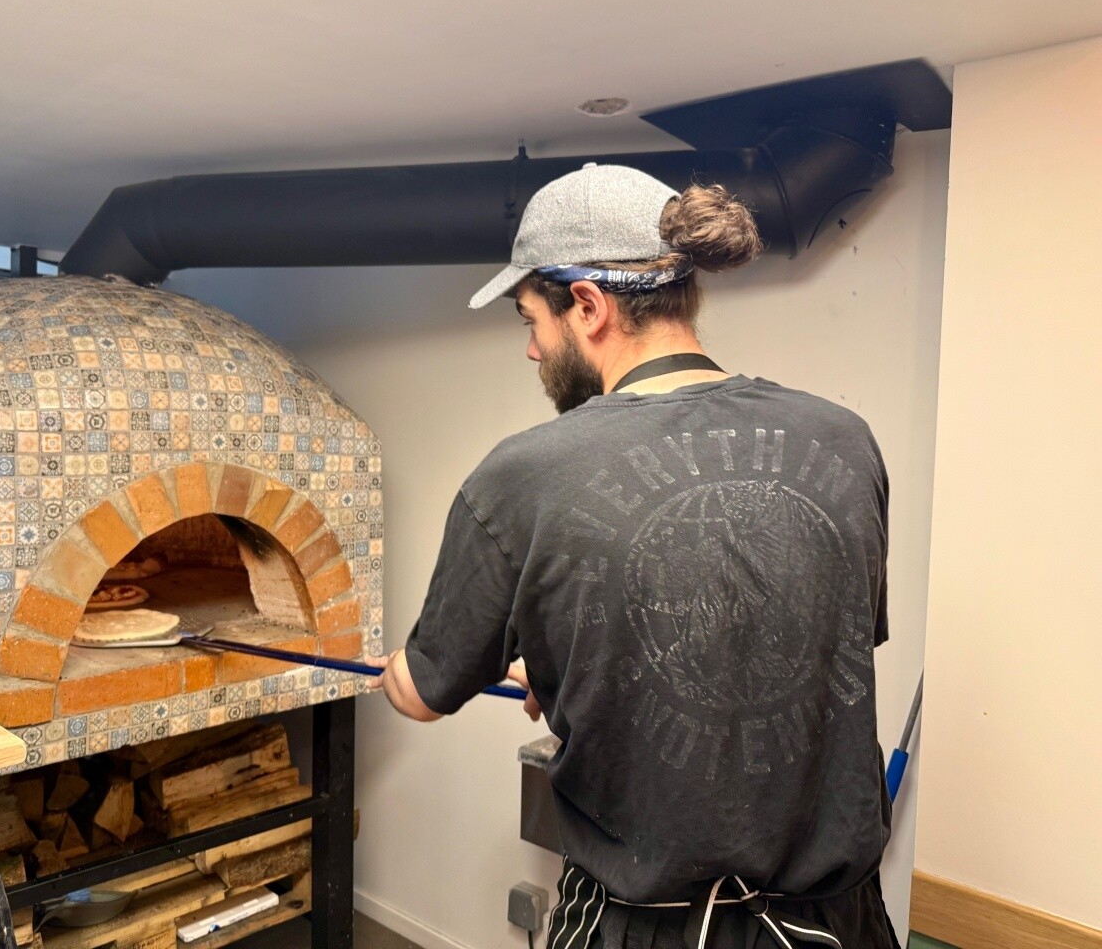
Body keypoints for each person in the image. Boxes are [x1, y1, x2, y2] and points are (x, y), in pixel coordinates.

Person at [368, 164, 897, 949]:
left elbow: (420, 694)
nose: (531, 350)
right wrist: (577, 669)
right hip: (837, 924)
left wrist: (396, 671)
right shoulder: (844, 441)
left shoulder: (524, 474)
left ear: (588, 306)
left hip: (644, 929)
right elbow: (808, 642)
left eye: (529, 320)